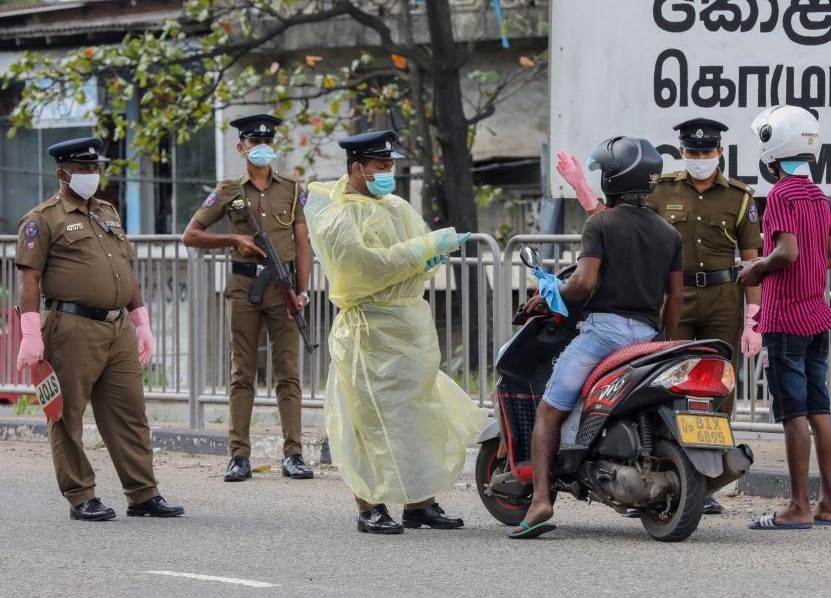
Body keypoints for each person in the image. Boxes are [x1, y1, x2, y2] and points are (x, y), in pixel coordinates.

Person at [557, 117, 762, 516]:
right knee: (661, 385)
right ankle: (651, 467)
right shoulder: (662, 189)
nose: (699, 158)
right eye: (692, 152)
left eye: (706, 152)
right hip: (674, 298)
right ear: (681, 153)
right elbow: (617, 221)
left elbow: (751, 262)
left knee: (719, 388)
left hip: (723, 299)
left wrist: (754, 317)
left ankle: (705, 480)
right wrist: (582, 188)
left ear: (720, 152)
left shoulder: (740, 197)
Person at [303, 129, 484, 534]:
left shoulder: (397, 206)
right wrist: (424, 249)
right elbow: (362, 271)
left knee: (416, 416)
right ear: (357, 168)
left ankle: (421, 503)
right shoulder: (336, 217)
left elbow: (419, 260)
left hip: (409, 328)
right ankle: (370, 506)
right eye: (381, 166)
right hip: (368, 334)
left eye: (391, 166)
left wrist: (431, 253)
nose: (388, 173)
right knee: (367, 421)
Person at [511, 136, 683, 539]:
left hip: (602, 336)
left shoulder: (600, 223)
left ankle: (539, 501)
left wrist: (550, 297)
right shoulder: (668, 233)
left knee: (550, 410)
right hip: (645, 339)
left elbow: (584, 283)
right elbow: (676, 298)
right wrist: (660, 339)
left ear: (611, 178)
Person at [15, 137, 184, 521]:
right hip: (71, 327)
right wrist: (30, 331)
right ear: (63, 173)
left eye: (95, 167)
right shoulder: (42, 218)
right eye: (84, 168)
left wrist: (141, 320)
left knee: (130, 412)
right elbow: (29, 278)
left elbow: (124, 268)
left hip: (117, 326)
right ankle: (81, 495)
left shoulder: (107, 212)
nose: (93, 174)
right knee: (66, 414)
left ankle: (143, 493)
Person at [182, 113, 313, 482]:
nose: (262, 149)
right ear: (242, 148)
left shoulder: (291, 188)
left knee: (287, 373)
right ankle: (238, 455)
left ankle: (294, 453)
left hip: (283, 286)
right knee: (242, 373)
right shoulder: (228, 191)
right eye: (255, 143)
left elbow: (303, 245)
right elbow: (190, 235)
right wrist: (233, 240)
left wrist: (302, 291)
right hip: (243, 287)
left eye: (267, 142)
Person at [736, 105, 831, 530]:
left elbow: (787, 252)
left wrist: (755, 268)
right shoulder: (819, 195)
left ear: (773, 151)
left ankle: (798, 506)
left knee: (792, 414)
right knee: (820, 410)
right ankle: (830, 504)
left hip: (785, 319)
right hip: (818, 314)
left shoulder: (781, 195)